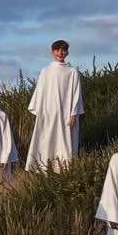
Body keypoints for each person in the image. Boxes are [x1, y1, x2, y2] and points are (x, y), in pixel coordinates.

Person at [26, 40, 84, 172]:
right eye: (57, 50)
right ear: (52, 52)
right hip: (48, 111)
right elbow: (40, 91)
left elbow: (76, 93)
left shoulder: (72, 72)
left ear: (67, 53)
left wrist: (74, 113)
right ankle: (44, 167)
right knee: (46, 138)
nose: (60, 53)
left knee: (65, 139)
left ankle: (64, 169)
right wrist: (40, 111)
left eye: (63, 50)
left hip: (66, 112)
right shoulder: (46, 71)